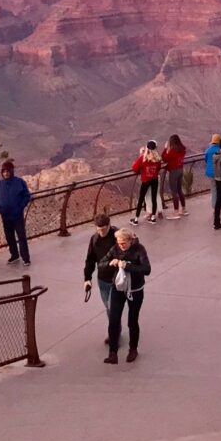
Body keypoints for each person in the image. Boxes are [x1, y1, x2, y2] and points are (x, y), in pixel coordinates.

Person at [98, 228, 150, 364]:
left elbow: (146, 269)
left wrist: (128, 266)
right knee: (114, 320)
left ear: (130, 241)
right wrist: (111, 263)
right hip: (118, 288)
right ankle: (112, 353)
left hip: (135, 290)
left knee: (132, 321)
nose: (121, 246)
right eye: (119, 243)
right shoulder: (115, 249)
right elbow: (101, 263)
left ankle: (133, 349)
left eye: (123, 243)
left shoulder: (139, 249)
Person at [0, 160, 32, 265]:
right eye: (4, 172)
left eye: (8, 171)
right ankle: (14, 255)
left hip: (17, 215)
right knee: (9, 237)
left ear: (12, 171)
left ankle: (25, 258)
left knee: (21, 236)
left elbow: (27, 196)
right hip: (6, 216)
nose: (6, 173)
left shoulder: (19, 182)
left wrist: (20, 207)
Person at [83, 214, 117, 333]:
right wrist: (87, 278)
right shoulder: (94, 239)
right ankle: (115, 331)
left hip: (116, 279)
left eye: (103, 229)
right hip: (102, 280)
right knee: (108, 308)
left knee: (112, 308)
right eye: (98, 229)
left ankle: (114, 334)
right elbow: (90, 259)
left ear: (109, 226)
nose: (101, 232)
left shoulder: (117, 237)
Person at [130, 141, 163, 225]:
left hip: (145, 180)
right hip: (154, 179)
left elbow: (134, 168)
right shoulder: (158, 158)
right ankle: (153, 218)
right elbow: (159, 168)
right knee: (154, 198)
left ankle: (136, 219)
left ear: (147, 148)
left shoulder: (143, 158)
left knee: (141, 199)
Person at [161, 134, 187, 219]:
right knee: (179, 190)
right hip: (180, 170)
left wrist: (165, 149)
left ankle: (176, 212)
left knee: (174, 192)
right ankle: (183, 209)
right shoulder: (182, 149)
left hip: (173, 172)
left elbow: (164, 158)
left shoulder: (172, 151)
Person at [204, 133, 221, 210]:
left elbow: (206, 160)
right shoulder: (220, 149)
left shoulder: (208, 150)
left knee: (214, 190)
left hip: (210, 173)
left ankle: (215, 208)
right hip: (219, 172)